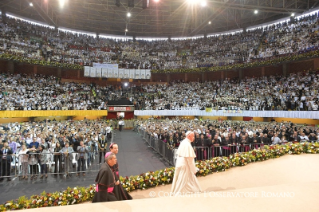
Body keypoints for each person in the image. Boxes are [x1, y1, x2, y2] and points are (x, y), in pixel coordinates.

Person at [171, 131, 201, 196]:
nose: (194, 138)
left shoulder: (183, 142)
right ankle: (178, 192)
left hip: (179, 163)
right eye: (193, 136)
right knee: (182, 181)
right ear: (189, 136)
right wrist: (194, 169)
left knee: (182, 179)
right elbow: (190, 159)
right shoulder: (187, 144)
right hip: (185, 165)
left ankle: (175, 191)